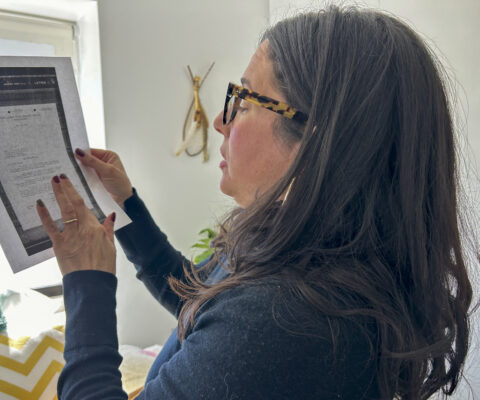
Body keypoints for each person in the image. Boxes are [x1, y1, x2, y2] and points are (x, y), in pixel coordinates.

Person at [36, 5, 476, 400]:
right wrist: (124, 205)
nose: (222, 120)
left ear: (319, 141)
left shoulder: (284, 321)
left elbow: (238, 321)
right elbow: (196, 295)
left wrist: (86, 282)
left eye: (244, 99)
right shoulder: (309, 254)